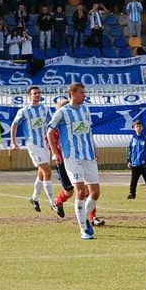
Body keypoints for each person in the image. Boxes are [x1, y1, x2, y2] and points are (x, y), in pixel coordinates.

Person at [48, 82, 101, 240]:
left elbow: (88, 132)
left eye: (84, 92)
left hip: (89, 156)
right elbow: (49, 132)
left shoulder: (85, 110)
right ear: (73, 93)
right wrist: (55, 153)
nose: (84, 95)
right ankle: (84, 229)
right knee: (80, 190)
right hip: (72, 157)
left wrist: (95, 149)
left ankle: (83, 215)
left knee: (95, 193)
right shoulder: (62, 112)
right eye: (82, 93)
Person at [10, 86, 62, 216]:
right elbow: (14, 125)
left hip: (44, 143)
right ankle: (53, 203)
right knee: (47, 171)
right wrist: (13, 142)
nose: (37, 95)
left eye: (39, 93)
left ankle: (34, 198)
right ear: (30, 96)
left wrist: (59, 138)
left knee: (41, 173)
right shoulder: (24, 111)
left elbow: (52, 123)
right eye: (35, 93)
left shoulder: (45, 109)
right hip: (33, 144)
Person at [126, 120, 146, 199]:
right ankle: (132, 194)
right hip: (135, 164)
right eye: (137, 126)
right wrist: (129, 161)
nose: (138, 128)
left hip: (145, 164)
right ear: (134, 128)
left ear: (142, 127)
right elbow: (130, 151)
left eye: (140, 126)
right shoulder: (133, 138)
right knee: (133, 181)